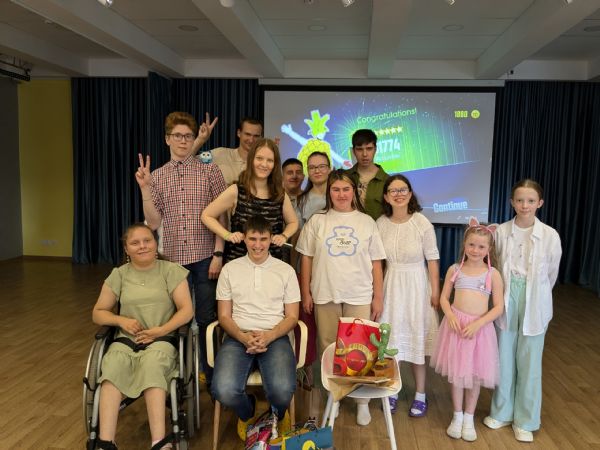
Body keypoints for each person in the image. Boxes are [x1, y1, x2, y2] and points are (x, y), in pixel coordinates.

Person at [135, 111, 227, 384]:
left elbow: (222, 215)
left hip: (205, 257)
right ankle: (178, 376)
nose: (183, 141)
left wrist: (219, 253)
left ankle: (211, 377)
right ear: (167, 139)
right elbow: (153, 222)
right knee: (177, 319)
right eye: (177, 136)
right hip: (173, 261)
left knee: (207, 319)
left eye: (188, 136)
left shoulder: (209, 170)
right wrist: (145, 189)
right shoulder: (158, 176)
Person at [92, 223, 194, 450]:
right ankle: (105, 442)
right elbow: (98, 313)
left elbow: (187, 310)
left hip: (162, 338)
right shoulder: (119, 275)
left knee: (152, 365)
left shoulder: (171, 270)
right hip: (127, 339)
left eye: (147, 240)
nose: (142, 246)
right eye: (135, 243)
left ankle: (159, 442)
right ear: (126, 249)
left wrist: (161, 330)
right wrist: (120, 320)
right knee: (112, 367)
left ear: (155, 243)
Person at [296, 169, 386, 426]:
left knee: (360, 349)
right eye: (336, 189)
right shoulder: (318, 221)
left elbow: (376, 263)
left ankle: (361, 402)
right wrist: (306, 292)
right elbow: (306, 259)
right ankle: (333, 397)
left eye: (346, 189)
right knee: (328, 347)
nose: (341, 194)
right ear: (329, 192)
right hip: (325, 292)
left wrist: (378, 297)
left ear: (354, 191)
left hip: (359, 293)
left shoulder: (367, 222)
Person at [484, 179, 562, 442]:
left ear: (540, 203)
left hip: (535, 300)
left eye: (530, 201)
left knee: (529, 361)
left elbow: (551, 274)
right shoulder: (501, 231)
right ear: (512, 202)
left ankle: (526, 420)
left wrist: (535, 294)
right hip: (506, 297)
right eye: (519, 200)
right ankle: (502, 411)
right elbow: (494, 266)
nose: (524, 205)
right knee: (504, 356)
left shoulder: (550, 235)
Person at [211, 215, 300, 440]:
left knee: (282, 390)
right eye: (252, 238)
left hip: (275, 335)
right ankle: (248, 412)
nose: (257, 245)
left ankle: (278, 414)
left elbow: (292, 317)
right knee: (223, 390)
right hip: (238, 336)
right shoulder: (230, 269)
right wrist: (242, 337)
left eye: (263, 239)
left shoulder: (285, 270)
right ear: (244, 239)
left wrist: (269, 336)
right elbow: (224, 316)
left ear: (271, 239)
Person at [430, 218, 504, 442]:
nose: (475, 250)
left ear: (489, 249)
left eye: (481, 246)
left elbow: (498, 307)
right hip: (456, 328)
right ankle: (457, 416)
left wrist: (479, 323)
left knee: (474, 376)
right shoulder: (455, 269)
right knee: (457, 374)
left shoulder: (492, 274)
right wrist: (450, 315)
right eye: (471, 244)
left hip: (479, 330)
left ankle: (469, 417)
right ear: (464, 244)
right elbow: (444, 298)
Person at [376, 174, 440, 416]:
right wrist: (377, 294)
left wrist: (435, 291)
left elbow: (432, 259)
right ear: (386, 197)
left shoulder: (421, 222)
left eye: (403, 190)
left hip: (417, 286)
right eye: (393, 190)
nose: (399, 194)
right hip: (392, 284)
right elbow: (377, 262)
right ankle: (392, 390)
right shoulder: (380, 223)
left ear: (410, 193)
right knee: (391, 341)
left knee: (416, 342)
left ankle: (420, 394)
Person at [201, 138, 299, 262]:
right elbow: (206, 215)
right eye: (259, 158)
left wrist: (284, 236)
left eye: (270, 160)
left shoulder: (280, 194)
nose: (264, 164)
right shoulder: (236, 190)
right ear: (251, 159)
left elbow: (293, 222)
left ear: (275, 164)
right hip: (238, 263)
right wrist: (227, 235)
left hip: (271, 265)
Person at [194, 117, 263, 186]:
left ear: (261, 137)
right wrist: (200, 139)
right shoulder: (219, 154)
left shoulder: (263, 164)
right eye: (247, 134)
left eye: (256, 136)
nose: (251, 140)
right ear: (239, 133)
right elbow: (189, 160)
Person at [345, 129, 388, 220]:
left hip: (377, 227)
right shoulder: (345, 177)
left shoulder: (387, 181)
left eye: (369, 149)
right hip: (349, 227)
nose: (364, 154)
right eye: (359, 149)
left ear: (375, 149)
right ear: (354, 151)